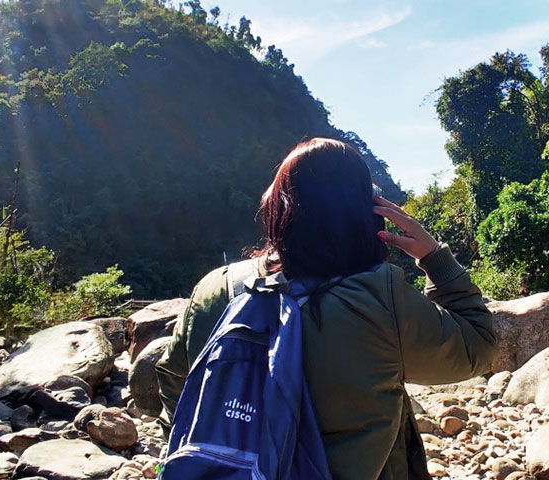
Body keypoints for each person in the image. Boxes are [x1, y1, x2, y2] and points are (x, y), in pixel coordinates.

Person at [155, 137, 498, 479]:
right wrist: (434, 258)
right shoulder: (379, 300)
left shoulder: (217, 288)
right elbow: (478, 346)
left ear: (277, 208)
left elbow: (173, 378)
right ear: (366, 213)